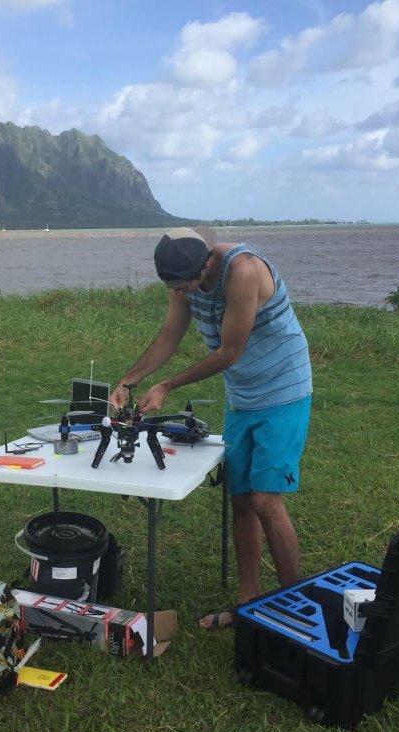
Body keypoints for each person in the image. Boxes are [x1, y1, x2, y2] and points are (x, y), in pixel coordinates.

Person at [110, 226, 312, 629]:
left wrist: (167, 385)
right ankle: (247, 606)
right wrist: (129, 381)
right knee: (240, 499)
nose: (185, 293)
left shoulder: (245, 271)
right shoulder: (182, 274)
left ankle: (299, 610)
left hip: (283, 391)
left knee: (266, 500)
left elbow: (229, 352)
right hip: (242, 398)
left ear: (205, 264)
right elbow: (169, 336)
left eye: (188, 284)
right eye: (176, 288)